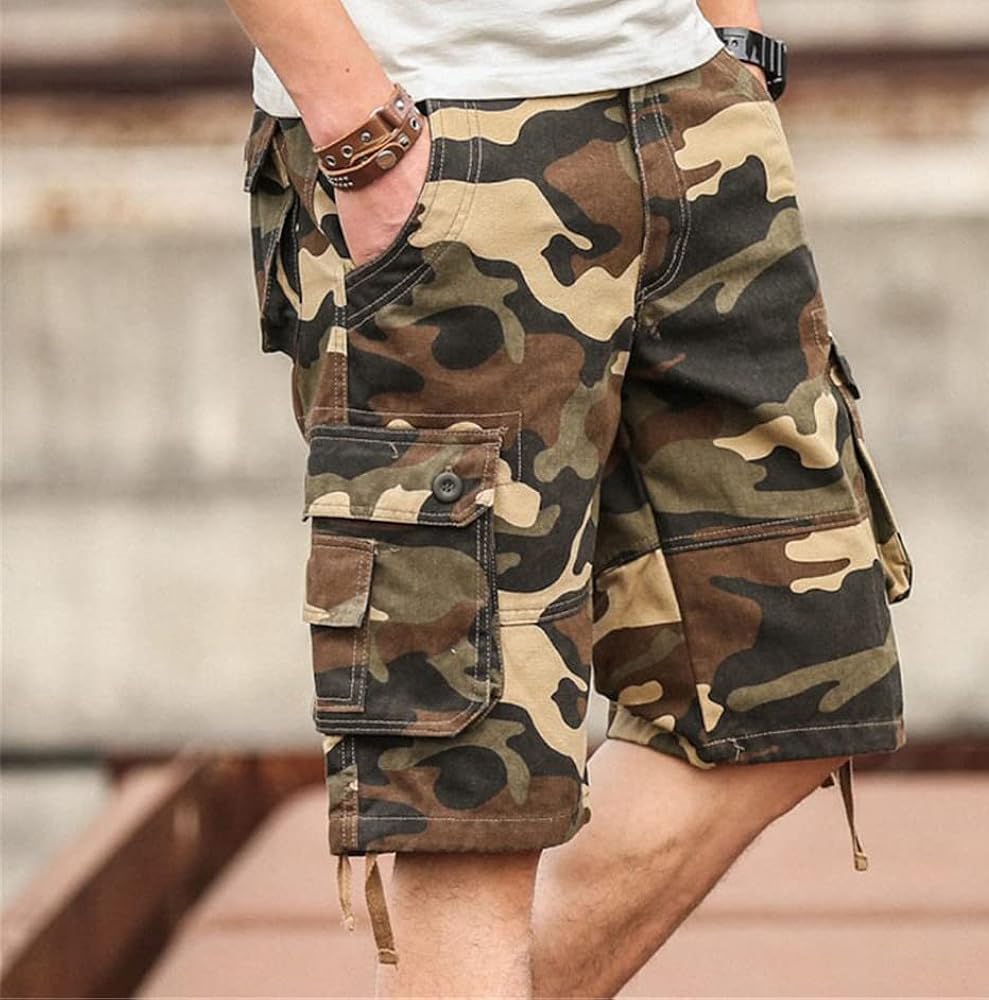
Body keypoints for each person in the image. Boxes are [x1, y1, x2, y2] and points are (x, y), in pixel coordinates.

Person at [227, 0, 914, 995]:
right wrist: (366, 141)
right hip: (441, 128)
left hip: (686, 108)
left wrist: (735, 50)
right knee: (473, 781)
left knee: (797, 681)